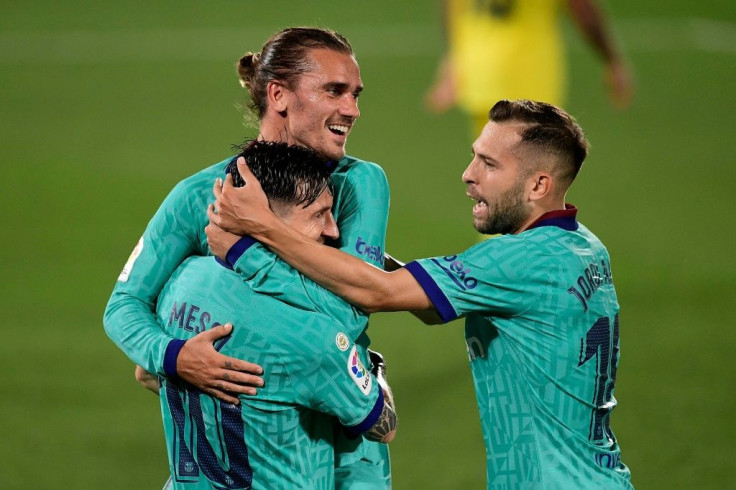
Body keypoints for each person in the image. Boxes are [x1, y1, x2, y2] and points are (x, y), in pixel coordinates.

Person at [206, 99, 633, 488]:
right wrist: (351, 251)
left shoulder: (520, 262)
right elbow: (427, 304)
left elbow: (379, 293)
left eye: (488, 163)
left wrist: (260, 234)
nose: (468, 174)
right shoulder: (582, 247)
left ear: (538, 186)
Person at [103, 27, 392, 487]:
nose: (352, 110)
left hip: (346, 442)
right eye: (334, 91)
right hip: (246, 437)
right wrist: (173, 355)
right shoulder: (199, 195)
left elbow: (351, 310)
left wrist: (252, 242)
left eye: (355, 94)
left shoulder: (360, 184)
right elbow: (124, 306)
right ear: (278, 94)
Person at [136, 141, 397, 489]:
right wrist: (374, 369)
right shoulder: (313, 336)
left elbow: (144, 373)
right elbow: (382, 424)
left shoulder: (180, 283)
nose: (334, 231)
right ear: (268, 222)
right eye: (319, 214)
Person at [425, 0, 635, 138]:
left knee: (495, 184)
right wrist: (612, 59)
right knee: (532, 190)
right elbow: (582, 9)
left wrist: (453, 58)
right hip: (528, 78)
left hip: (479, 75)